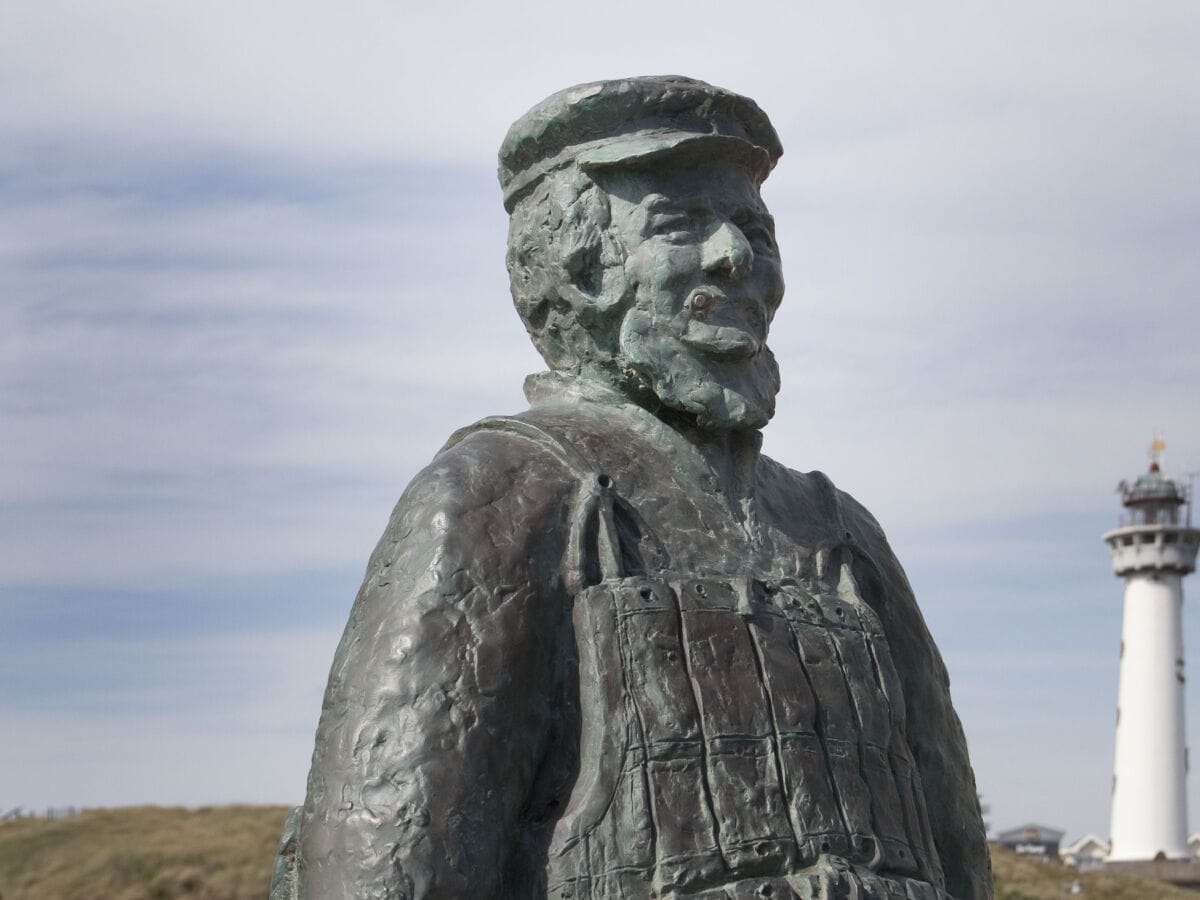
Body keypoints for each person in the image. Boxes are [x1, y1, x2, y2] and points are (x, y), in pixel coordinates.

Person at [275, 76, 992, 900]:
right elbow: (386, 865)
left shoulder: (842, 534)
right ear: (580, 271)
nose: (738, 254)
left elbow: (954, 845)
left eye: (755, 228)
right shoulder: (503, 495)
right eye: (682, 224)